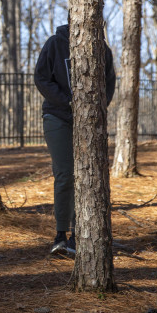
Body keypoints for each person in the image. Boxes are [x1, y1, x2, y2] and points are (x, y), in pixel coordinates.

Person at [34, 24, 116, 256]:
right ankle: (61, 235)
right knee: (65, 173)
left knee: (89, 174)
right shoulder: (55, 43)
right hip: (57, 116)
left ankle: (80, 233)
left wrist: (98, 106)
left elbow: (109, 81)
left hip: (89, 120)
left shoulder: (102, 48)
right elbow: (41, 78)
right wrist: (68, 102)